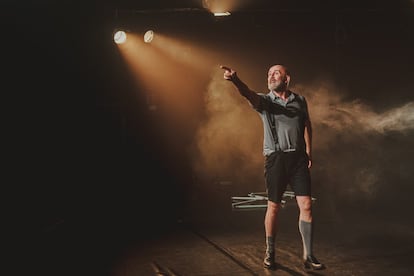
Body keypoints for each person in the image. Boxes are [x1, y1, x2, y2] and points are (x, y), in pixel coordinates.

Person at [220, 64, 324, 270]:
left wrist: (309, 152)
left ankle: (308, 254)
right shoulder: (265, 101)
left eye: (276, 72)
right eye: (268, 73)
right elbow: (247, 93)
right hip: (276, 159)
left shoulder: (300, 100)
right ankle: (270, 251)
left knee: (306, 205)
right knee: (274, 206)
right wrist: (236, 80)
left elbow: (307, 125)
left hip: (298, 160)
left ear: (287, 79)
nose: (271, 76)